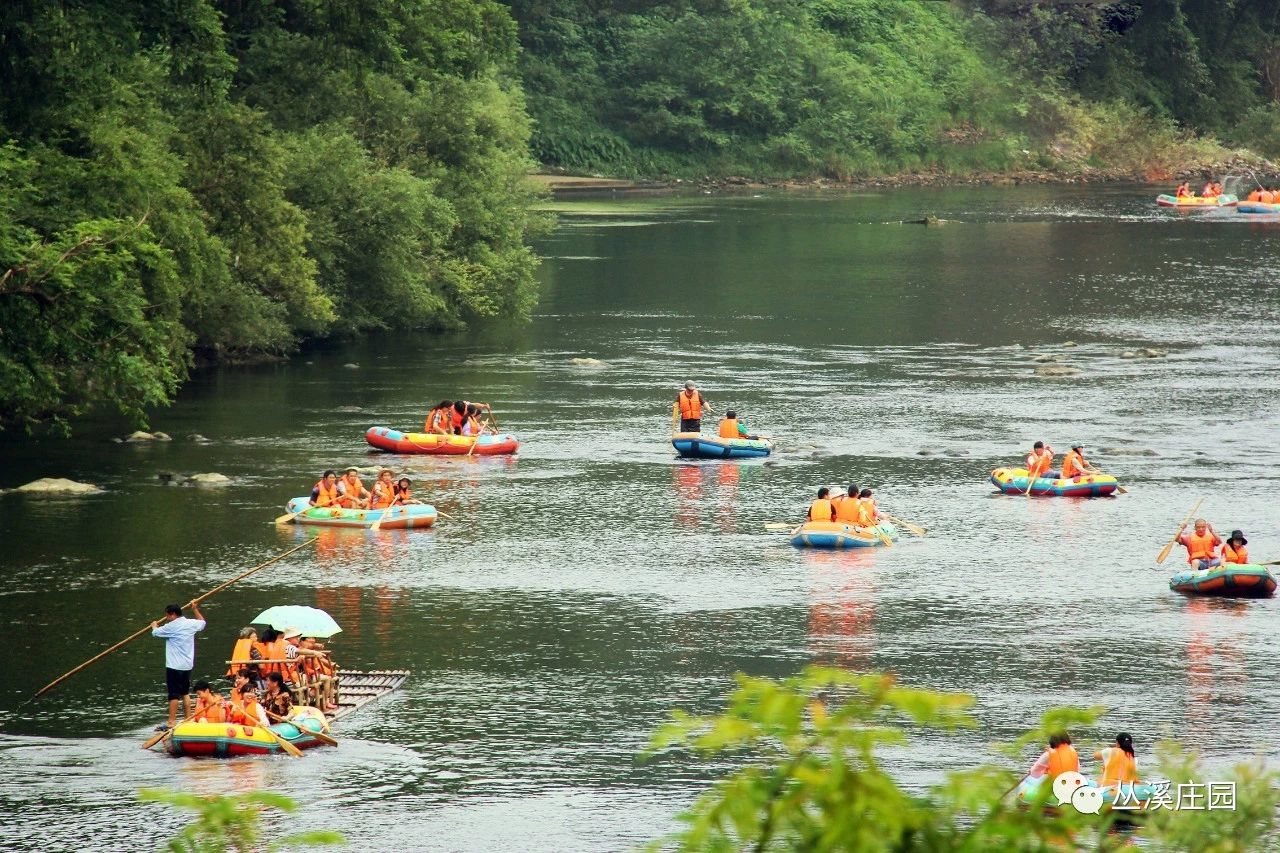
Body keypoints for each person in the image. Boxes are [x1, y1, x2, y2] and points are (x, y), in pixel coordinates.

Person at [151, 602, 206, 731]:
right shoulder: (191, 623)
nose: (167, 618)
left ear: (173, 614)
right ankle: (188, 718)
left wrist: (154, 626)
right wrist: (195, 609)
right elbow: (202, 623)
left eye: (168, 616)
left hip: (174, 666)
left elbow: (155, 633)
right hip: (187, 665)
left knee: (173, 694)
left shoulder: (171, 626)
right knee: (185, 692)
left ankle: (171, 721)